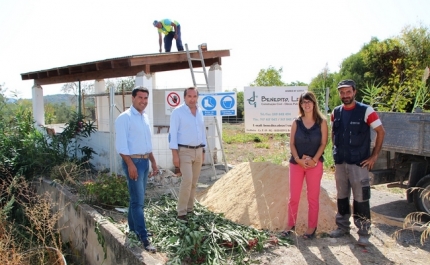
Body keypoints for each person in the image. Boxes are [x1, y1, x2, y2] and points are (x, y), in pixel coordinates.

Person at [329, 79, 385, 246]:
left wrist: (374, 156)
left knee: (361, 198)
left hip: (359, 164)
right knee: (342, 196)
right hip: (341, 163)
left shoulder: (366, 111)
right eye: (342, 92)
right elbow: (333, 133)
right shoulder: (335, 112)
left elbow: (380, 132)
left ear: (354, 92)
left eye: (348, 92)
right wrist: (335, 152)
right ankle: (342, 227)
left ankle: (363, 232)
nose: (345, 95)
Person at [115, 86, 158, 253]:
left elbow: (147, 144)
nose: (143, 101)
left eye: (146, 98)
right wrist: (130, 164)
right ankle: (144, 237)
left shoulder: (144, 117)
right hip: (132, 162)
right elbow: (121, 146)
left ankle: (133, 229)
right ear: (133, 98)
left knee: (136, 200)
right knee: (138, 202)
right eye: (140, 98)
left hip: (145, 162)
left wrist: (153, 162)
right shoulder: (124, 118)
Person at [281, 91, 328, 240]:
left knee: (312, 198)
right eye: (303, 102)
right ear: (301, 105)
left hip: (315, 164)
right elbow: (292, 143)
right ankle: (290, 224)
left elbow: (323, 143)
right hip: (297, 164)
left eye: (309, 102)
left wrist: (314, 159)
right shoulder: (296, 122)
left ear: (314, 103)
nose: (306, 104)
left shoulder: (322, 122)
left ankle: (311, 228)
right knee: (293, 197)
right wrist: (298, 159)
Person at [169, 87, 206, 220]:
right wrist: (175, 154)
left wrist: (203, 150)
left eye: (194, 96)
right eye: (189, 96)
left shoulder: (200, 111)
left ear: (197, 97)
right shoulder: (177, 112)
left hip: (198, 150)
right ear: (184, 97)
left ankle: (190, 209)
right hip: (184, 150)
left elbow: (202, 132)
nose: (192, 99)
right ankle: (181, 212)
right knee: (187, 180)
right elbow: (172, 134)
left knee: (194, 182)